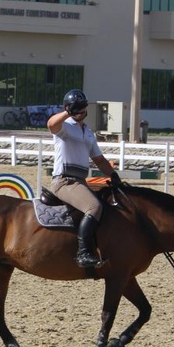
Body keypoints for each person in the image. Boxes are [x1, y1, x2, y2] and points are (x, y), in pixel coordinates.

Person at [47, 88, 121, 269]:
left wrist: (113, 174)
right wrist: (67, 112)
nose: (80, 111)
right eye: (76, 108)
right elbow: (50, 124)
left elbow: (99, 160)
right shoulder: (65, 126)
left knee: (107, 204)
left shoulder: (88, 132)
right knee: (93, 207)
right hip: (64, 181)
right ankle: (83, 254)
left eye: (82, 107)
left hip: (80, 182)